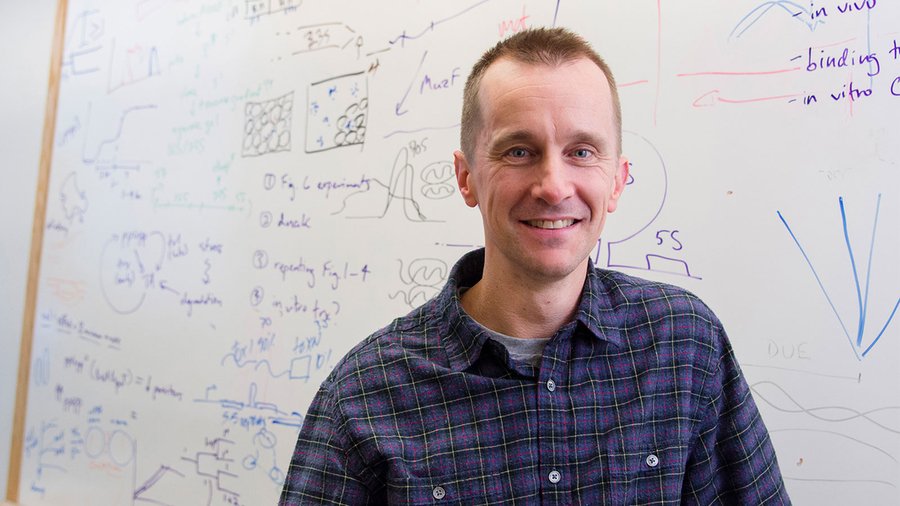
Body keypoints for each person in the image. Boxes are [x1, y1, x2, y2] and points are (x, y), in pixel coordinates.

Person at [280, 27, 789, 505]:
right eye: (519, 151)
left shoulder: (684, 345)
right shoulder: (365, 395)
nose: (553, 185)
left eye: (582, 151)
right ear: (466, 178)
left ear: (617, 180)